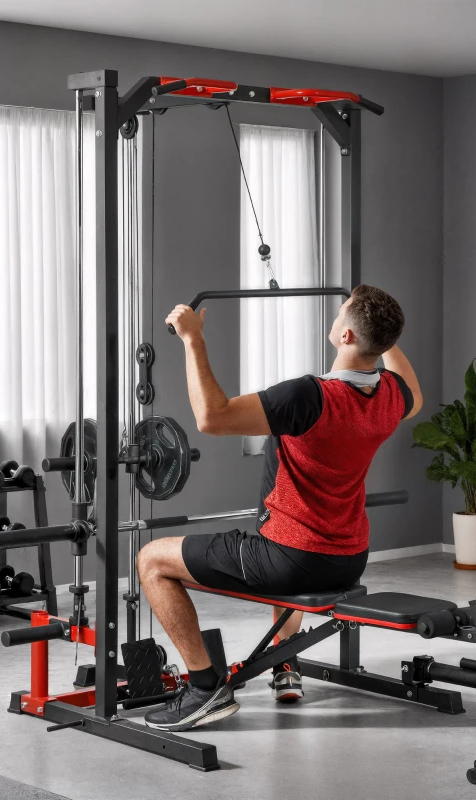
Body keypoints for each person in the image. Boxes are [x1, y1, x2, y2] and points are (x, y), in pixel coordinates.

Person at [137, 285, 422, 732]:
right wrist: (383, 337)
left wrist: (193, 339)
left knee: (151, 559)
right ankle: (283, 664)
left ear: (347, 336)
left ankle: (202, 687)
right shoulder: (390, 397)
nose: (337, 312)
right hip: (349, 560)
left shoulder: (309, 397)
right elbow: (415, 393)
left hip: (294, 560)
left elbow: (212, 417)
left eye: (342, 311)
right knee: (277, 532)